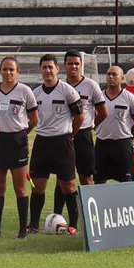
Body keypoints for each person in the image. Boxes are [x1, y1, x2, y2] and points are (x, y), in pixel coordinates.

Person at [27, 55, 84, 233]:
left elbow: (79, 117)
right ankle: (34, 225)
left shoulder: (68, 91)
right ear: (40, 70)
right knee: (38, 186)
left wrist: (70, 135)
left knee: (68, 185)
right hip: (42, 142)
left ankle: (74, 225)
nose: (47, 70)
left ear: (57, 69)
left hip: (63, 142)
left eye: (51, 67)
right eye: (44, 67)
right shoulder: (34, 93)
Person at [53, 50, 108, 217]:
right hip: (63, 136)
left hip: (83, 135)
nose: (73, 67)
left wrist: (90, 126)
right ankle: (57, 215)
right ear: (64, 66)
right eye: (70, 64)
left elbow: (103, 112)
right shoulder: (59, 86)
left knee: (86, 177)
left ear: (81, 65)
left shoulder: (91, 85)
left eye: (77, 64)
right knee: (62, 178)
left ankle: (90, 215)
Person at [0, 56, 38, 239]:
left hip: (17, 142)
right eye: (5, 69)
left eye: (11, 69)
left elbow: (34, 119)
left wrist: (23, 134)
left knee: (20, 188)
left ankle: (22, 230)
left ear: (18, 72)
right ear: (0, 71)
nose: (8, 72)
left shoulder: (25, 91)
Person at [94, 66, 134, 184]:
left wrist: (127, 135)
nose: (111, 77)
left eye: (114, 74)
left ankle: (126, 203)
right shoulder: (98, 97)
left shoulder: (129, 98)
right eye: (109, 74)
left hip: (122, 146)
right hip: (102, 144)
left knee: (125, 182)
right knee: (99, 181)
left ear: (122, 78)